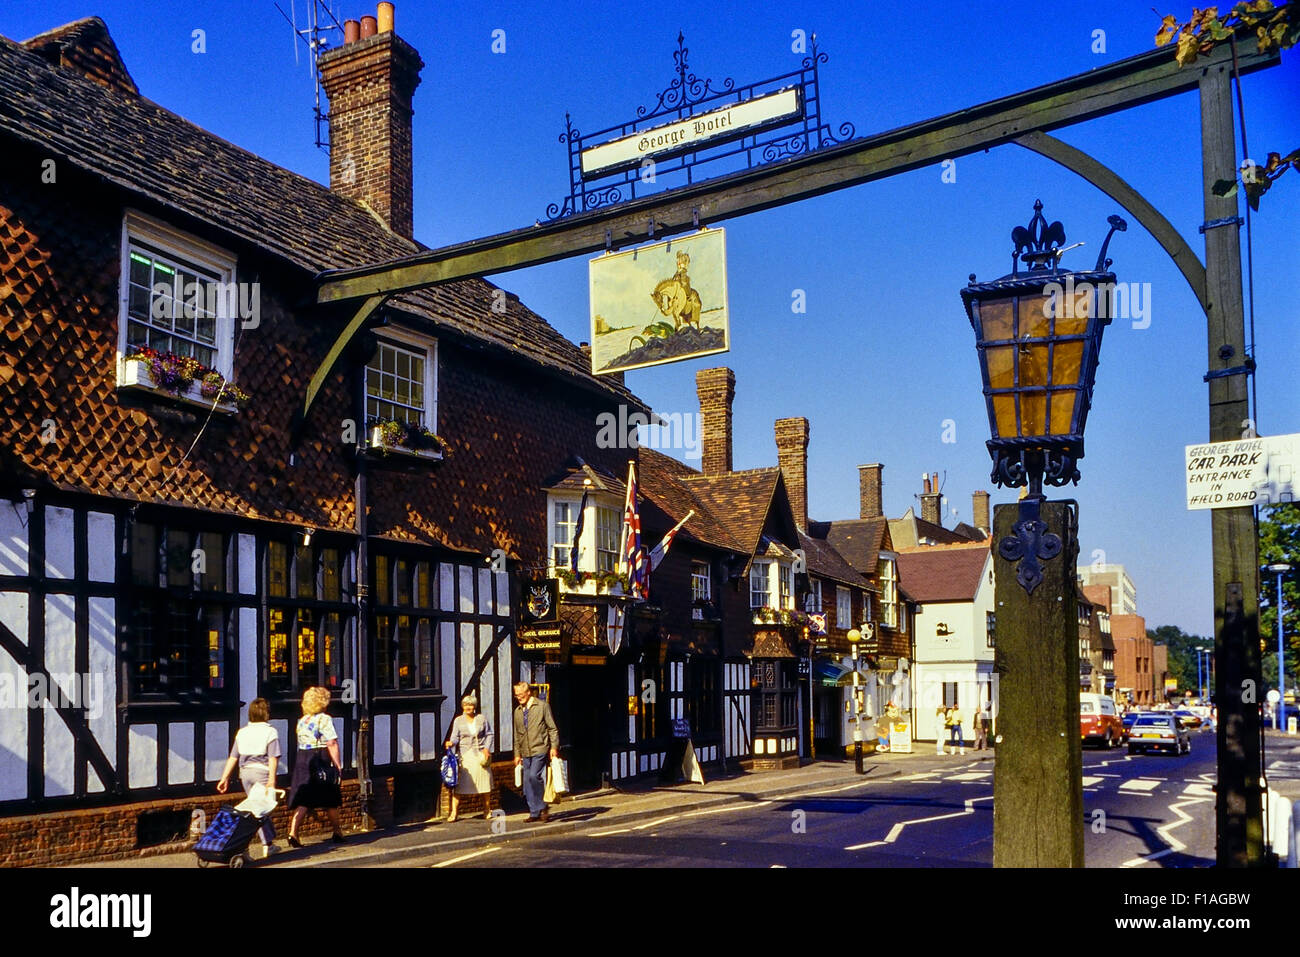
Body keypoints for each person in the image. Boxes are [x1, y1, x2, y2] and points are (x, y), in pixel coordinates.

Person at [217, 697, 280, 856]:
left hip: (245, 774)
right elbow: (273, 757)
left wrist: (224, 777)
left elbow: (233, 757)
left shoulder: (242, 732)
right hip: (262, 773)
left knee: (254, 811)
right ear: (266, 713)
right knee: (261, 811)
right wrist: (272, 779)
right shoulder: (270, 731)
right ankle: (263, 845)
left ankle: (256, 844)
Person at [287, 686, 345, 847]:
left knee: (304, 797)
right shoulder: (324, 719)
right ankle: (337, 832)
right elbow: (331, 742)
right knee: (330, 797)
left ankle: (293, 832)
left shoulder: (302, 720)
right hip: (319, 758)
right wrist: (338, 766)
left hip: (302, 759)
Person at [512, 682, 559, 823]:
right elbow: (516, 734)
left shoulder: (542, 706)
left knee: (534, 776)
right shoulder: (518, 711)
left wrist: (554, 747)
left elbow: (552, 728)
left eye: (520, 694)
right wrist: (516, 754)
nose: (518, 697)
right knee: (527, 782)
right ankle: (534, 812)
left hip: (540, 748)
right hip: (525, 751)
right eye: (516, 695)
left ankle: (543, 806)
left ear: (528, 693)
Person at [444, 694, 494, 822]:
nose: (468, 707)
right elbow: (455, 737)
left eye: (471, 705)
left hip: (481, 755)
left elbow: (489, 734)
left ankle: (487, 810)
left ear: (474, 706)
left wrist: (487, 748)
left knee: (485, 784)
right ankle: (454, 813)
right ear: (463, 706)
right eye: (466, 705)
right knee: (460, 786)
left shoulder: (482, 718)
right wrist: (451, 742)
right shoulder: (458, 720)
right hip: (466, 756)